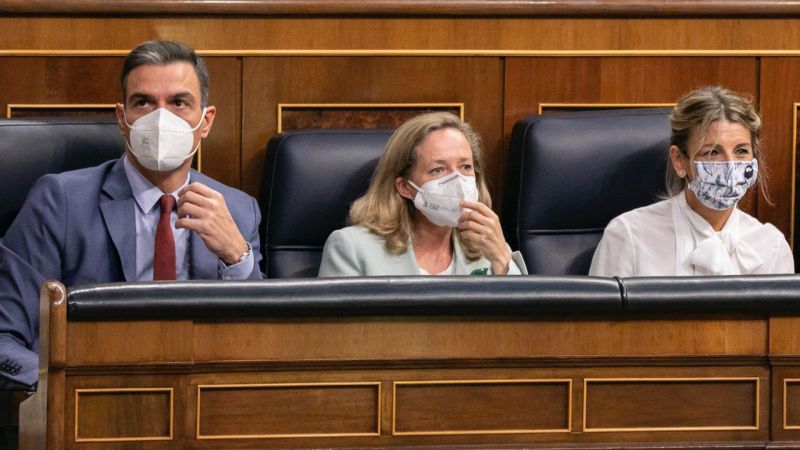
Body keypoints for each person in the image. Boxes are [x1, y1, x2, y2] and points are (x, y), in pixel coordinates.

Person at [1, 40, 262, 387]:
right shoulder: (60, 201)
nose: (160, 118)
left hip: (202, 404)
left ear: (205, 121)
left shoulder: (239, 210)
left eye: (179, 103)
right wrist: (63, 391)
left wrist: (237, 256)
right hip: (89, 401)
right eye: (143, 102)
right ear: (122, 119)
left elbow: (263, 341)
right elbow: (6, 336)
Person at [589, 86, 793, 277]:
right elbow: (598, 315)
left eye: (741, 151)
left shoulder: (771, 246)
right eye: (713, 152)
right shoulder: (628, 236)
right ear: (679, 160)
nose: (730, 166)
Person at [318, 112, 526, 276]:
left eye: (465, 166)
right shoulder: (352, 248)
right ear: (405, 187)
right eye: (438, 170)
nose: (457, 181)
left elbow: (525, 326)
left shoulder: (488, 246)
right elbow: (336, 330)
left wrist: (502, 260)